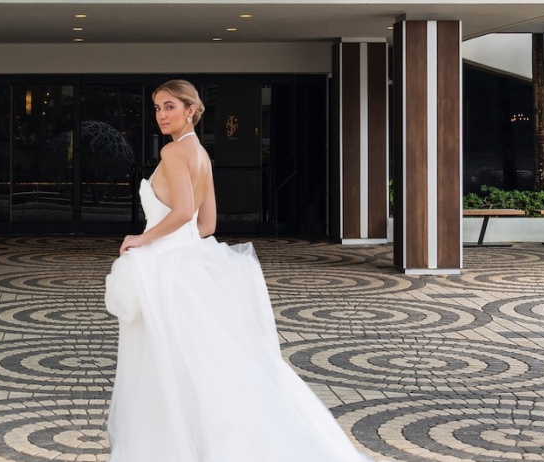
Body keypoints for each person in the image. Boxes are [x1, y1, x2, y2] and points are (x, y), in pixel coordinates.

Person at [105, 80, 374, 462]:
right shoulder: (202, 154)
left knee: (166, 366)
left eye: (169, 107)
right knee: (207, 365)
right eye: (157, 108)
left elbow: (184, 213)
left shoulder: (173, 152)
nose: (161, 115)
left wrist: (143, 239)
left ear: (189, 110)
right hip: (194, 264)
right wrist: (175, 244)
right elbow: (207, 224)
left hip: (170, 270)